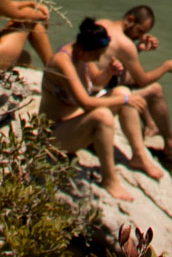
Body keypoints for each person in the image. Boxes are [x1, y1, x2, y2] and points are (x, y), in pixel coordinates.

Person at [40, 16, 163, 200]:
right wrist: (124, 100)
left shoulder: (82, 53)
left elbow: (95, 83)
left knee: (121, 90)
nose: (98, 59)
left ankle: (139, 156)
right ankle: (109, 179)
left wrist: (109, 73)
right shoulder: (62, 61)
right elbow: (86, 102)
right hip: (54, 133)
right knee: (106, 114)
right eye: (96, 56)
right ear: (83, 50)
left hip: (76, 121)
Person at [95, 5, 172, 164]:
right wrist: (166, 67)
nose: (140, 36)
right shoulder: (125, 44)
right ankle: (171, 143)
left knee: (129, 79)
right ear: (130, 20)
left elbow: (115, 59)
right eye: (140, 31)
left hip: (95, 84)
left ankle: (150, 125)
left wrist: (138, 48)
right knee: (155, 90)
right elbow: (142, 80)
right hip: (97, 97)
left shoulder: (102, 24)